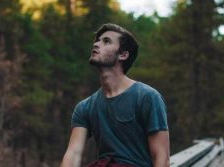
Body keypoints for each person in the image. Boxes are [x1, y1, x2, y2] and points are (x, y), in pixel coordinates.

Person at [61, 23, 169, 167]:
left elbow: (161, 158)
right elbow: (73, 154)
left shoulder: (147, 97)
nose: (97, 44)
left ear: (123, 55)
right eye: (97, 40)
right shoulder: (84, 107)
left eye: (106, 41)